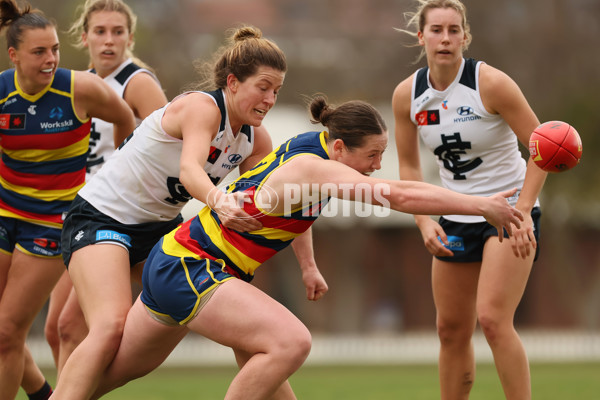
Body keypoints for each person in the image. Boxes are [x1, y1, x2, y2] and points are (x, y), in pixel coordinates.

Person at [86, 94, 523, 400]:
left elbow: (296, 212)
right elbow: (400, 195)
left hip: (184, 262)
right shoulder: (317, 167)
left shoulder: (309, 150)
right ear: (339, 147)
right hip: (193, 266)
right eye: (372, 156)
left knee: (113, 374)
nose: (375, 167)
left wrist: (309, 265)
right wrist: (479, 205)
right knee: (290, 342)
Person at [49, 25, 323, 400]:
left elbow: (284, 204)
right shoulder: (201, 107)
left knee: (239, 314)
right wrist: (219, 200)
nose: (270, 98)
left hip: (162, 233)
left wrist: (308, 266)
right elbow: (190, 170)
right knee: (110, 326)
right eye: (263, 87)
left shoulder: (255, 139)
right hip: (101, 219)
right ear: (233, 82)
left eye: (277, 90)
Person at [392, 1, 547, 399]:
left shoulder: (491, 84)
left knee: (493, 320)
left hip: (509, 212)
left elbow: (543, 148)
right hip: (456, 216)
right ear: (421, 36)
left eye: (454, 30)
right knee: (450, 330)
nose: (445, 38)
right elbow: (409, 168)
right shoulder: (407, 95)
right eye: (437, 30)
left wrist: (525, 211)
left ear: (465, 36)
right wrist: (424, 221)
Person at [0, 0, 136, 398]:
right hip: (5, 212)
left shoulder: (79, 88)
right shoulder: (2, 92)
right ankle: (43, 393)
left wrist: (117, 175)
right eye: (39, 51)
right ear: (14, 55)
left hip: (51, 224)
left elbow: (125, 119)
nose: (51, 59)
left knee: (8, 331)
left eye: (55, 49)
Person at [44, 0, 168, 375]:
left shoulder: (137, 82)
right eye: (100, 31)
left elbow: (170, 143)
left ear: (130, 38)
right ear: (83, 37)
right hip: (81, 212)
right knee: (56, 330)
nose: (109, 40)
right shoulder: (82, 84)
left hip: (119, 217)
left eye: (117, 32)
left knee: (71, 327)